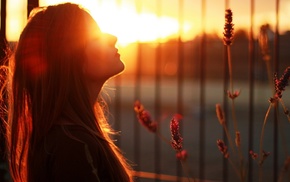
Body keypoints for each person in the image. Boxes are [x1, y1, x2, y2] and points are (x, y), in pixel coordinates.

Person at [0, 3, 133, 182]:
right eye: (94, 36)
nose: (112, 37)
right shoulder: (74, 145)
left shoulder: (67, 138)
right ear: (70, 59)